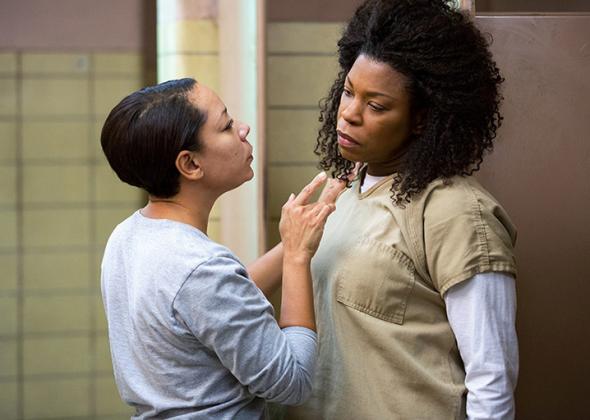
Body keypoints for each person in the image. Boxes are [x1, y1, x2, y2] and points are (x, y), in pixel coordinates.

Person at [287, 1, 518, 419]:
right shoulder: (348, 192)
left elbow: (492, 379)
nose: (349, 114)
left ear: (421, 119)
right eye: (348, 91)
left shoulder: (456, 212)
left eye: (376, 106)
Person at [99, 77, 344, 419]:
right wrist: (297, 258)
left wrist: (294, 241)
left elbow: (208, 307)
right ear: (191, 164)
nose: (243, 128)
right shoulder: (201, 267)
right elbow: (293, 380)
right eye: (227, 125)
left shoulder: (127, 236)